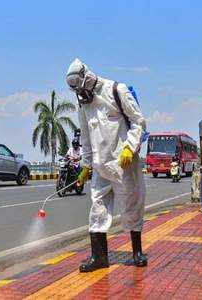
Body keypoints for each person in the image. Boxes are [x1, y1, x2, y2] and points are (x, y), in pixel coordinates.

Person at [66, 58, 147, 272]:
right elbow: (85, 137)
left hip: (123, 163)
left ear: (87, 77)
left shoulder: (116, 90)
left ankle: (137, 252)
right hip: (100, 167)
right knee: (97, 211)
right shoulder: (83, 104)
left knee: (131, 208)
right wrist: (85, 165)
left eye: (81, 88)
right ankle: (99, 257)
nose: (81, 94)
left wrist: (129, 147)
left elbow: (138, 121)